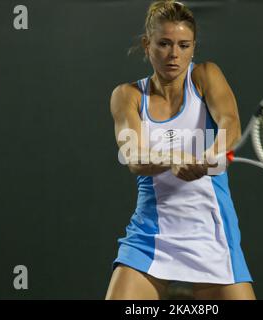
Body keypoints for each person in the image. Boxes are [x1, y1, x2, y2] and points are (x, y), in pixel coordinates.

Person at [106, 0, 255, 300]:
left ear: (193, 47)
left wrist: (212, 153)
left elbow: (231, 124)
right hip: (150, 237)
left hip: (211, 235)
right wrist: (174, 159)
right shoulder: (127, 95)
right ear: (147, 45)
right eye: (164, 44)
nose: (174, 54)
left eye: (184, 45)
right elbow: (133, 156)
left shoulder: (205, 76)